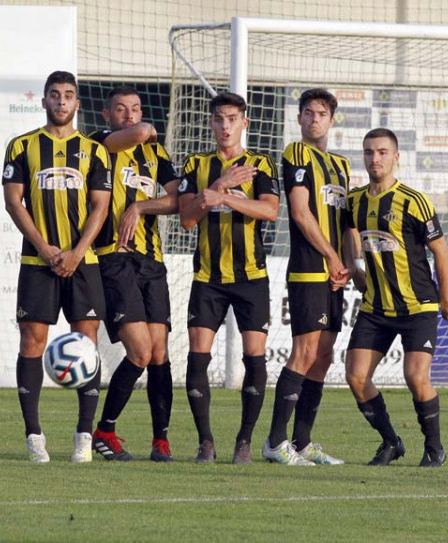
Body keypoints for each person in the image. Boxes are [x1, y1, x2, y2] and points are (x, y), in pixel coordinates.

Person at [2, 71, 112, 463]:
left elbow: (100, 205)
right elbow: (14, 202)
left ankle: (84, 436)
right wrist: (46, 248)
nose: (61, 102)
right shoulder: (22, 146)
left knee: (86, 343)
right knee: (32, 341)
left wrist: (78, 250)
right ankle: (34, 437)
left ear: (77, 104)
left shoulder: (95, 151)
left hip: (84, 262)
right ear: (44, 101)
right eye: (54, 95)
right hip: (38, 260)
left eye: (68, 96)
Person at [344, 128, 448, 467]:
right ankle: (391, 441)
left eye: (381, 152)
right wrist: (354, 267)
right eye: (368, 152)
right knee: (355, 376)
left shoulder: (413, 201)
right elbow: (348, 230)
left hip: (417, 305)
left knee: (415, 376)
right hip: (375, 306)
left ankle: (434, 447)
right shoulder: (355, 201)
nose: (374, 158)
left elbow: (440, 251)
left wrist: (445, 297)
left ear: (396, 157)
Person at [177, 92, 280, 464]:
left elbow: (269, 211)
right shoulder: (195, 164)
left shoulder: (261, 165)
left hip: (251, 276)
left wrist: (224, 197)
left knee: (255, 357)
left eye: (232, 119)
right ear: (211, 123)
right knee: (197, 358)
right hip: (208, 277)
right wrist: (218, 186)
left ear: (244, 123)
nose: (225, 126)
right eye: (219, 119)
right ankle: (205, 442)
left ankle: (244, 442)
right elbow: (187, 219)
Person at [86, 86, 180, 462]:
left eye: (136, 109)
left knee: (159, 354)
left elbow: (178, 200)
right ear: (107, 115)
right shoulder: (99, 144)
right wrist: (145, 125)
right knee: (139, 352)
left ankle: (161, 442)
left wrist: (141, 206)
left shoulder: (156, 154)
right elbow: (142, 131)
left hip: (151, 262)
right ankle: (104, 430)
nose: (130, 115)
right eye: (121, 110)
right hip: (114, 259)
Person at [262, 88, 349, 466]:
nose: (315, 119)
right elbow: (299, 212)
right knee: (305, 352)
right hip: (309, 270)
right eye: (308, 113)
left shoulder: (342, 166)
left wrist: (348, 267)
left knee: (324, 357)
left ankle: (302, 442)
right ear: (299, 118)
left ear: (332, 120)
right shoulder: (295, 154)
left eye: (322, 114)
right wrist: (331, 257)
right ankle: (275, 442)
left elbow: (346, 224)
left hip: (334, 273)